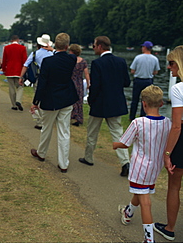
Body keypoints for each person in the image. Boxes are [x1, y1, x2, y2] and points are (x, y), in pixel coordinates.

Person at [113, 85, 171, 243]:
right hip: (155, 168)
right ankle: (128, 212)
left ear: (143, 103)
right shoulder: (167, 123)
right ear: (161, 103)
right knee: (141, 191)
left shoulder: (138, 123)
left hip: (140, 167)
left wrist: (115, 144)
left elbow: (125, 143)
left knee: (145, 201)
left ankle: (148, 239)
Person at [78, 36, 131, 176]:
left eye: (94, 46)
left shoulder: (97, 63)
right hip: (116, 102)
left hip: (100, 103)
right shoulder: (121, 61)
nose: (93, 48)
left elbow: (95, 86)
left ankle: (88, 157)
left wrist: (90, 99)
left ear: (100, 46)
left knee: (92, 132)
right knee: (117, 134)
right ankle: (125, 162)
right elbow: (127, 82)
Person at [30, 33, 78, 173]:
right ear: (67, 46)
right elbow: (67, 55)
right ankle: (63, 163)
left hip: (50, 99)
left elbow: (42, 83)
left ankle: (42, 152)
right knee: (64, 131)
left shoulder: (48, 62)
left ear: (54, 45)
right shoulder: (71, 59)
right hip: (66, 98)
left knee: (47, 128)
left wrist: (35, 102)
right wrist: (56, 50)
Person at [154, 45, 183, 241]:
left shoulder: (178, 89)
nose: (169, 68)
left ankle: (170, 228)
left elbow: (176, 126)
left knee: (174, 185)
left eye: (171, 64)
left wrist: (166, 154)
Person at [19, 34, 54, 130]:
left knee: (38, 99)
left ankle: (40, 121)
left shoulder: (35, 54)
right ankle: (48, 120)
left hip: (40, 78)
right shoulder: (53, 53)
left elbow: (26, 65)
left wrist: (21, 76)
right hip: (52, 79)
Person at [129, 41, 160, 121]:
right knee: (146, 100)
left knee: (135, 99)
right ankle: (143, 116)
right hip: (148, 81)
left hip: (138, 80)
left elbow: (132, 70)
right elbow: (156, 72)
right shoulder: (155, 59)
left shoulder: (138, 57)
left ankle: (132, 117)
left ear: (145, 48)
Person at [1, 35, 27, 111]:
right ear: (18, 40)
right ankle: (18, 100)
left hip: (9, 70)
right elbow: (24, 61)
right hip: (19, 70)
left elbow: (4, 59)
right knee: (20, 87)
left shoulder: (6, 48)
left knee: (11, 88)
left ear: (11, 40)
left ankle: (14, 105)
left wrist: (4, 69)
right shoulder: (22, 48)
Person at [68, 44, 90, 126]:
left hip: (70, 81)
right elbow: (86, 74)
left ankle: (70, 115)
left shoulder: (69, 61)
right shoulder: (83, 61)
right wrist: (88, 84)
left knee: (70, 100)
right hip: (79, 82)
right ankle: (78, 117)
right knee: (79, 100)